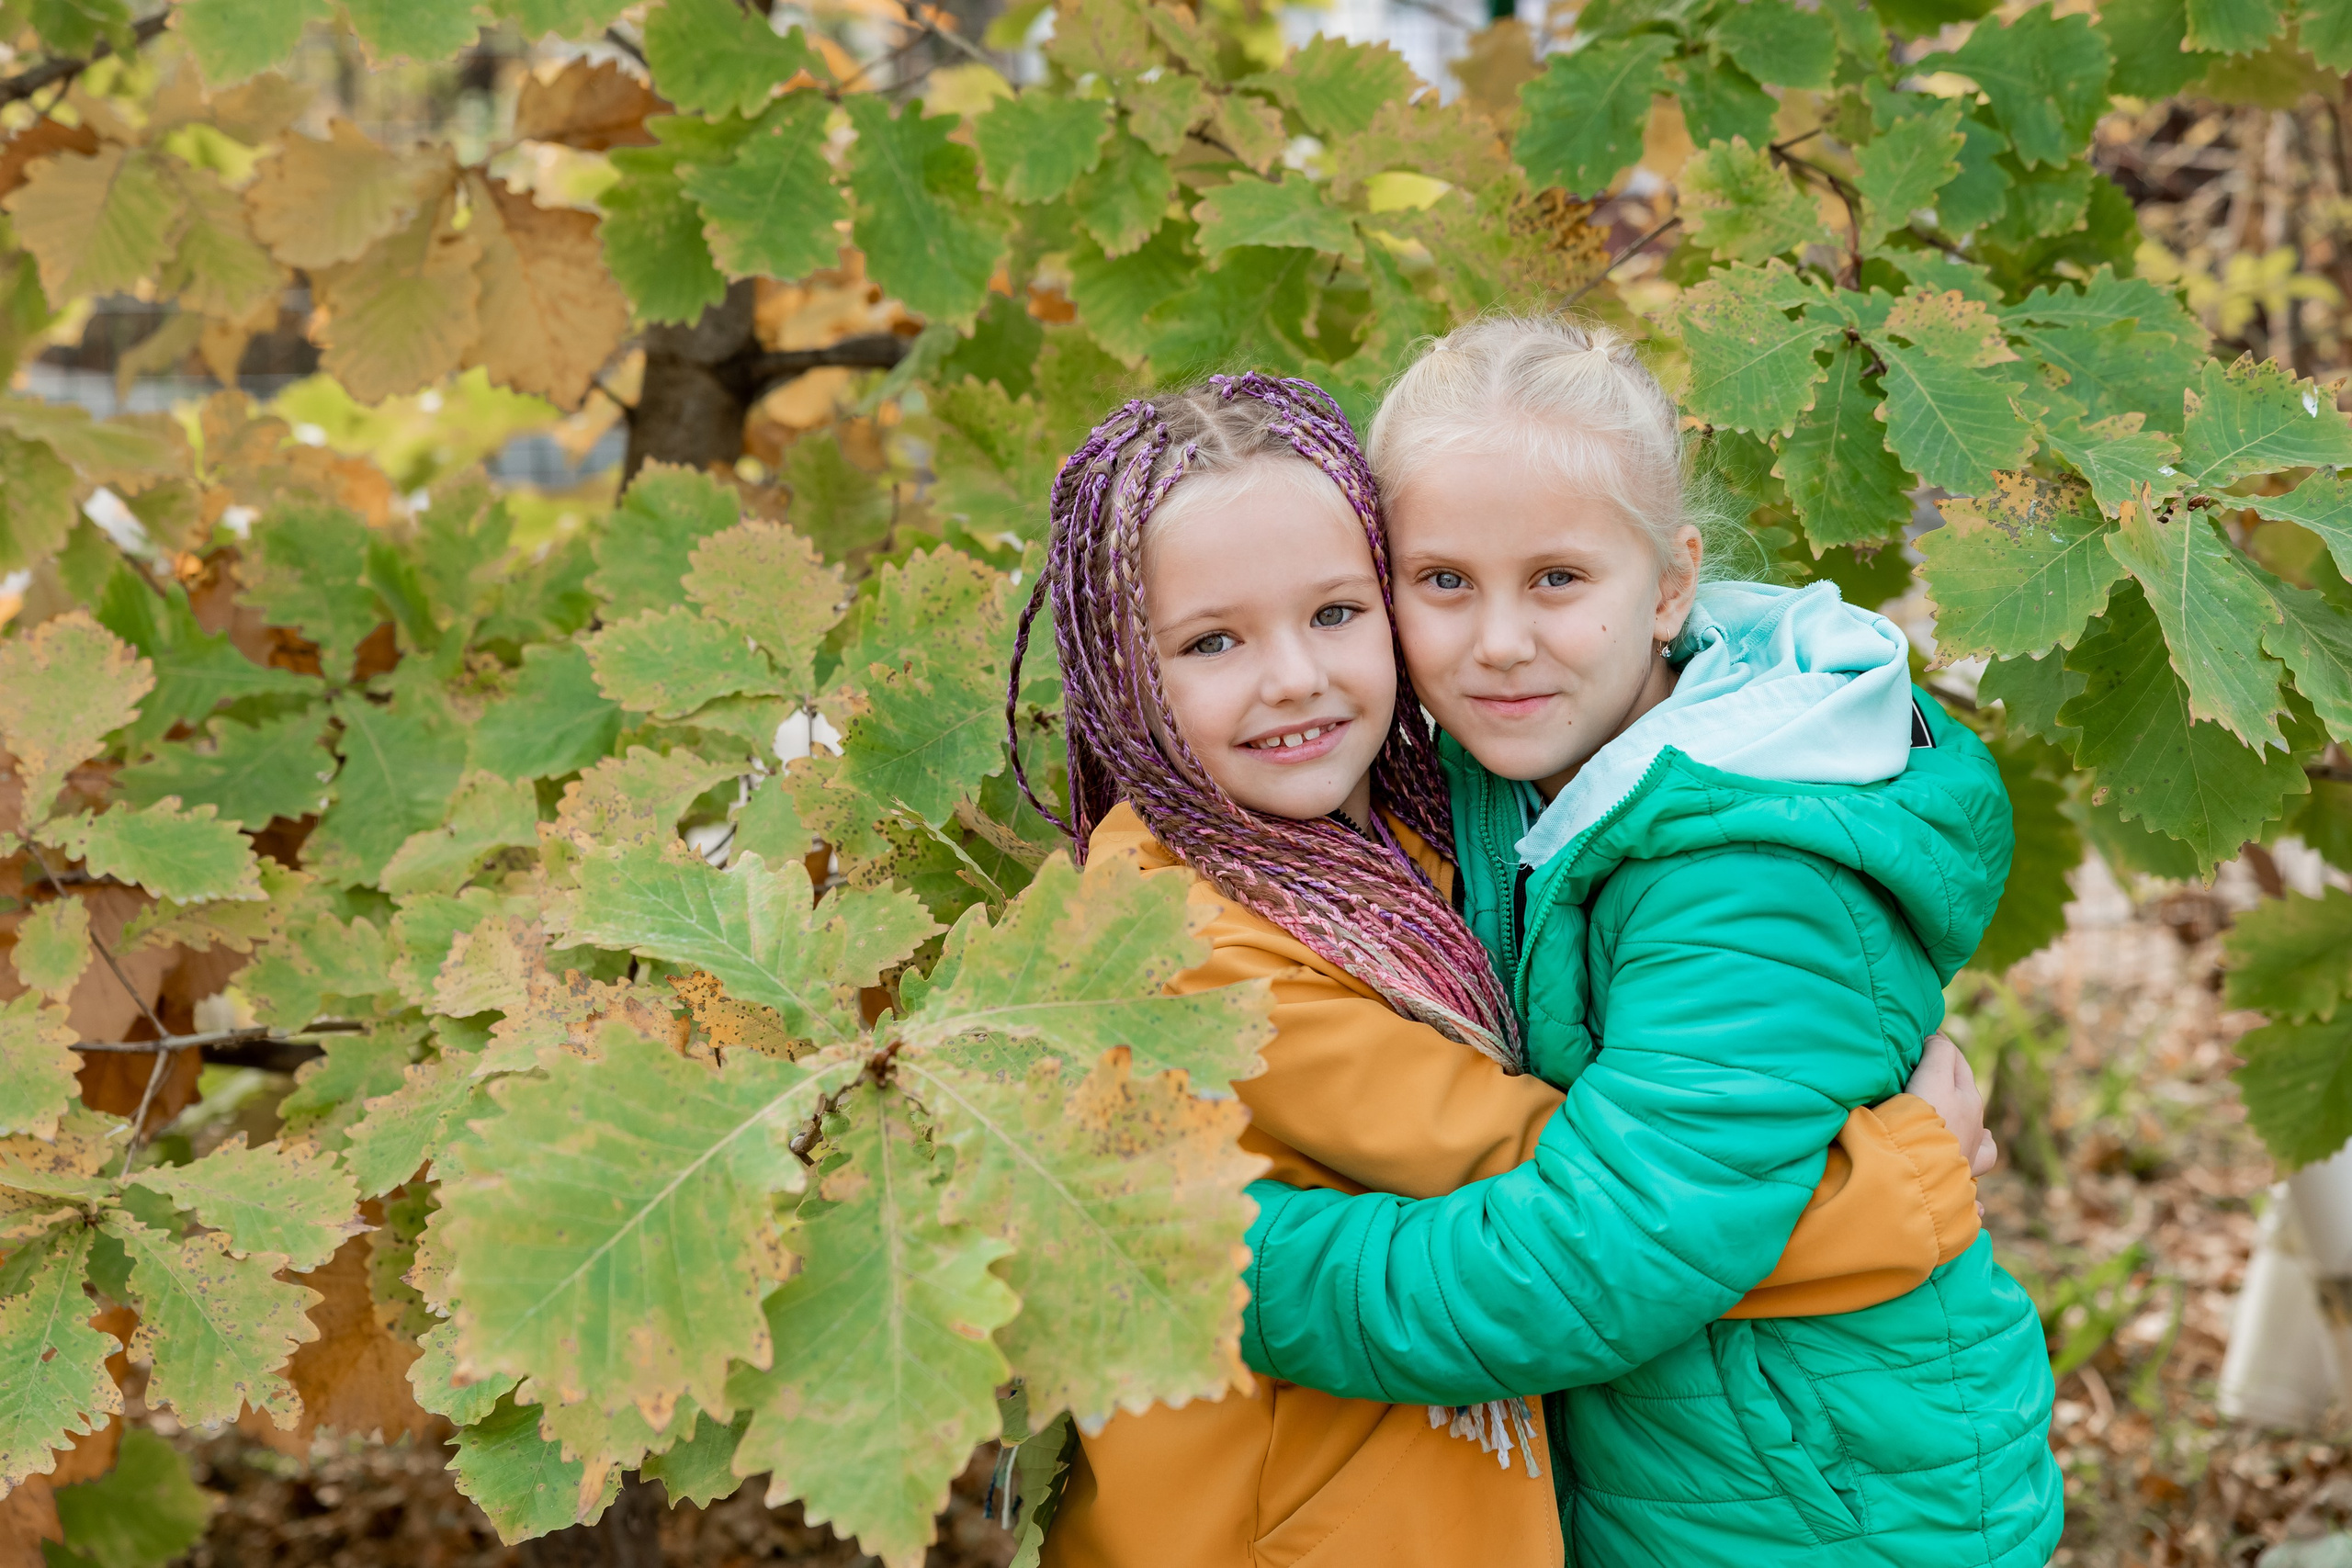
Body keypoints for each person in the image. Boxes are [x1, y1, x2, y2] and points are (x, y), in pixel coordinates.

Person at [1003, 373, 1996, 1568]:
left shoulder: (1418, 827)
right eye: (1213, 641)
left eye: (1335, 613)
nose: (1294, 677)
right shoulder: (1180, 936)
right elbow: (1601, 1211)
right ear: (1120, 672)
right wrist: (1896, 1186)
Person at [1236, 320, 2063, 1566]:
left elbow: (1599, 1259)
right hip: (1679, 1457)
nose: (1498, 640)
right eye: (1443, 581)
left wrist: (1221, 1265)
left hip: (1826, 1502)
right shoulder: (1501, 770)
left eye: (1558, 579)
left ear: (1671, 585)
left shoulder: (1748, 881)